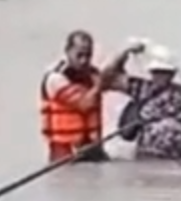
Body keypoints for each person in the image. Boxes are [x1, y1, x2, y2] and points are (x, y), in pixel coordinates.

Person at [40, 31, 143, 163]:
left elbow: (111, 76)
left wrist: (124, 54)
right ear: (67, 51)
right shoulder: (56, 79)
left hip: (93, 150)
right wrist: (102, 81)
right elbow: (85, 103)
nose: (84, 60)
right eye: (79, 55)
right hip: (66, 154)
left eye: (88, 55)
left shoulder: (91, 74)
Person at [117, 43, 181, 160]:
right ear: (151, 72)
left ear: (172, 74)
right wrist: (125, 52)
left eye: (164, 72)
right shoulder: (141, 88)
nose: (160, 76)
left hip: (180, 158)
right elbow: (111, 76)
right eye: (156, 72)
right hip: (148, 156)